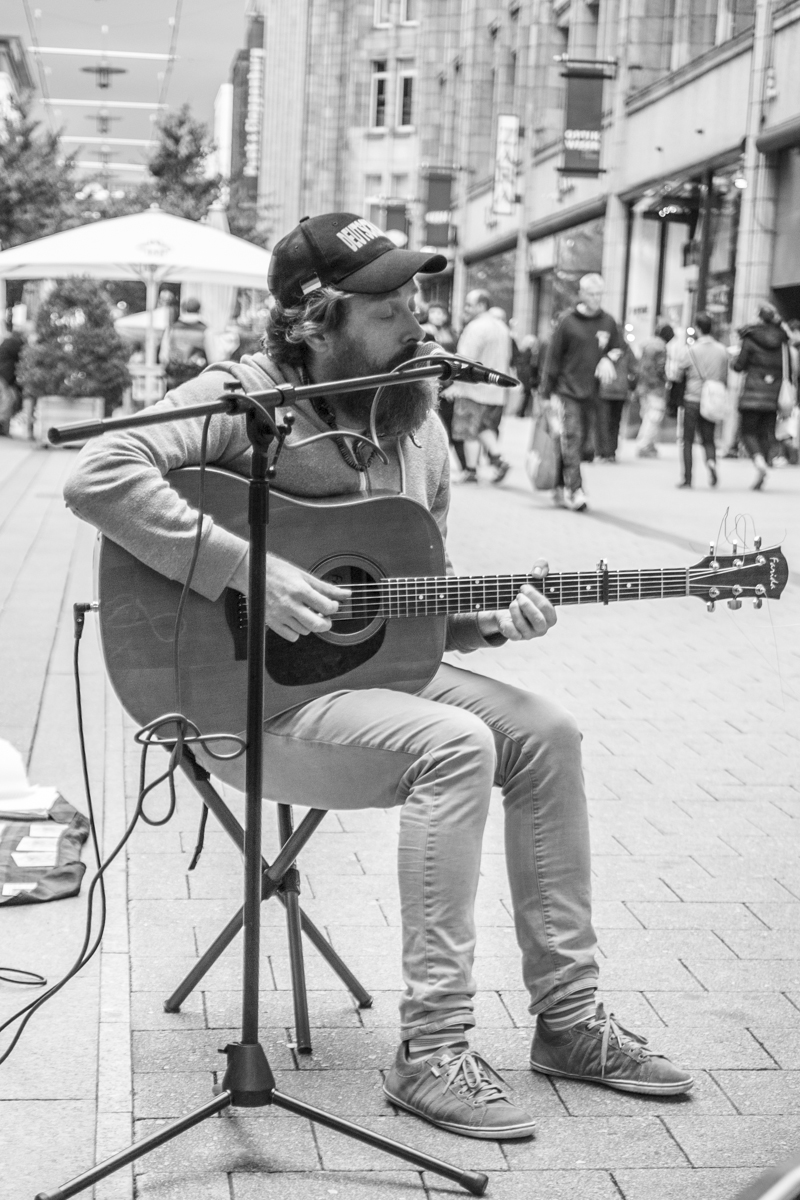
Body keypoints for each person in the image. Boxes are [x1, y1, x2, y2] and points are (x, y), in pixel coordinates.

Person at [63, 211, 692, 1143]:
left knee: (547, 732)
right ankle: (432, 1049)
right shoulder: (242, 397)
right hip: (244, 706)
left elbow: (402, 606)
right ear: (314, 322)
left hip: (364, 694)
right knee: (457, 743)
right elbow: (98, 472)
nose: (419, 323)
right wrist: (245, 568)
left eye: (416, 302)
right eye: (390, 308)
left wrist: (483, 621)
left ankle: (569, 1022)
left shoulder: (415, 430)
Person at [540, 274, 623, 511]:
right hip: (567, 391)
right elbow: (553, 359)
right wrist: (545, 394)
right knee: (573, 438)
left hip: (594, 393)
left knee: (586, 446)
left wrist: (608, 358)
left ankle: (559, 484)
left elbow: (618, 349)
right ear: (582, 294)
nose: (596, 299)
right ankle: (575, 490)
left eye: (600, 294)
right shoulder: (567, 322)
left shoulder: (608, 322)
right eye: (592, 294)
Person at [448, 289, 513, 484]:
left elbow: (465, 359)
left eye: (469, 304)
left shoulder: (475, 327)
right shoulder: (502, 328)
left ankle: (471, 470)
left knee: (469, 431)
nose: (466, 308)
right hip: (496, 391)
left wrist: (456, 384)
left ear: (481, 305)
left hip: (473, 389)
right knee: (486, 427)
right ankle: (498, 458)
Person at [732, 304, 787, 490]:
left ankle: (759, 462)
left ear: (759, 317)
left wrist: (734, 359)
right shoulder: (782, 339)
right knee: (765, 433)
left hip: (752, 395)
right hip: (773, 395)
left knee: (747, 432)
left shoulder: (751, 337)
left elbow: (739, 366)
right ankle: (765, 464)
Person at [675, 312, 728, 488]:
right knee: (708, 438)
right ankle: (711, 462)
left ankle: (687, 478)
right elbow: (724, 375)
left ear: (697, 328)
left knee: (687, 440)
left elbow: (678, 374)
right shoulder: (721, 350)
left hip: (692, 398)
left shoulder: (690, 350)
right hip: (712, 400)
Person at [421, 303, 467, 473]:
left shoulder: (452, 334)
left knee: (450, 426)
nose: (437, 316)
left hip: (447, 386)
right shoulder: (422, 331)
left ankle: (465, 466)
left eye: (440, 312)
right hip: (428, 384)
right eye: (433, 312)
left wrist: (455, 385)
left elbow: (458, 360)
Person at [634, 322, 674, 459]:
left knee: (647, 415)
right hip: (655, 387)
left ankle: (647, 444)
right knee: (655, 415)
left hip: (642, 386)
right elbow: (660, 368)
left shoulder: (645, 345)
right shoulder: (660, 348)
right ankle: (645, 444)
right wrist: (666, 379)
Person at [597, 340, 637, 461]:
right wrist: (631, 386)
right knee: (615, 422)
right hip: (621, 392)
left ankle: (603, 452)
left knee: (603, 422)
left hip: (604, 389)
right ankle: (611, 452)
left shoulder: (603, 348)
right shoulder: (627, 349)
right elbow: (634, 369)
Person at [160, 297, 208, 391]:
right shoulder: (205, 330)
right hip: (197, 377)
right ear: (199, 309)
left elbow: (164, 355)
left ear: (184, 309)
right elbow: (214, 356)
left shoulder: (172, 328)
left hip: (175, 376)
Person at [0, 321, 26, 436]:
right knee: (9, 399)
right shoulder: (15, 343)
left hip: (5, 376)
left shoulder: (8, 342)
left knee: (9, 399)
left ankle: (4, 427)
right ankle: (2, 424)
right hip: (5, 377)